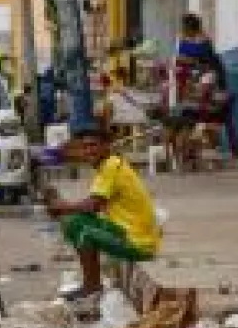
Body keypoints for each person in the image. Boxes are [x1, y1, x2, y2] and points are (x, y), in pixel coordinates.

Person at [44, 126, 161, 317]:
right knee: (76, 221)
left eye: (93, 146)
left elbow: (93, 205)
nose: (89, 151)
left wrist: (62, 206)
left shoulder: (110, 167)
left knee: (81, 228)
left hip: (138, 242)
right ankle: (91, 283)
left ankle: (92, 287)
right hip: (127, 232)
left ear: (106, 147)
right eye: (85, 147)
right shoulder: (108, 165)